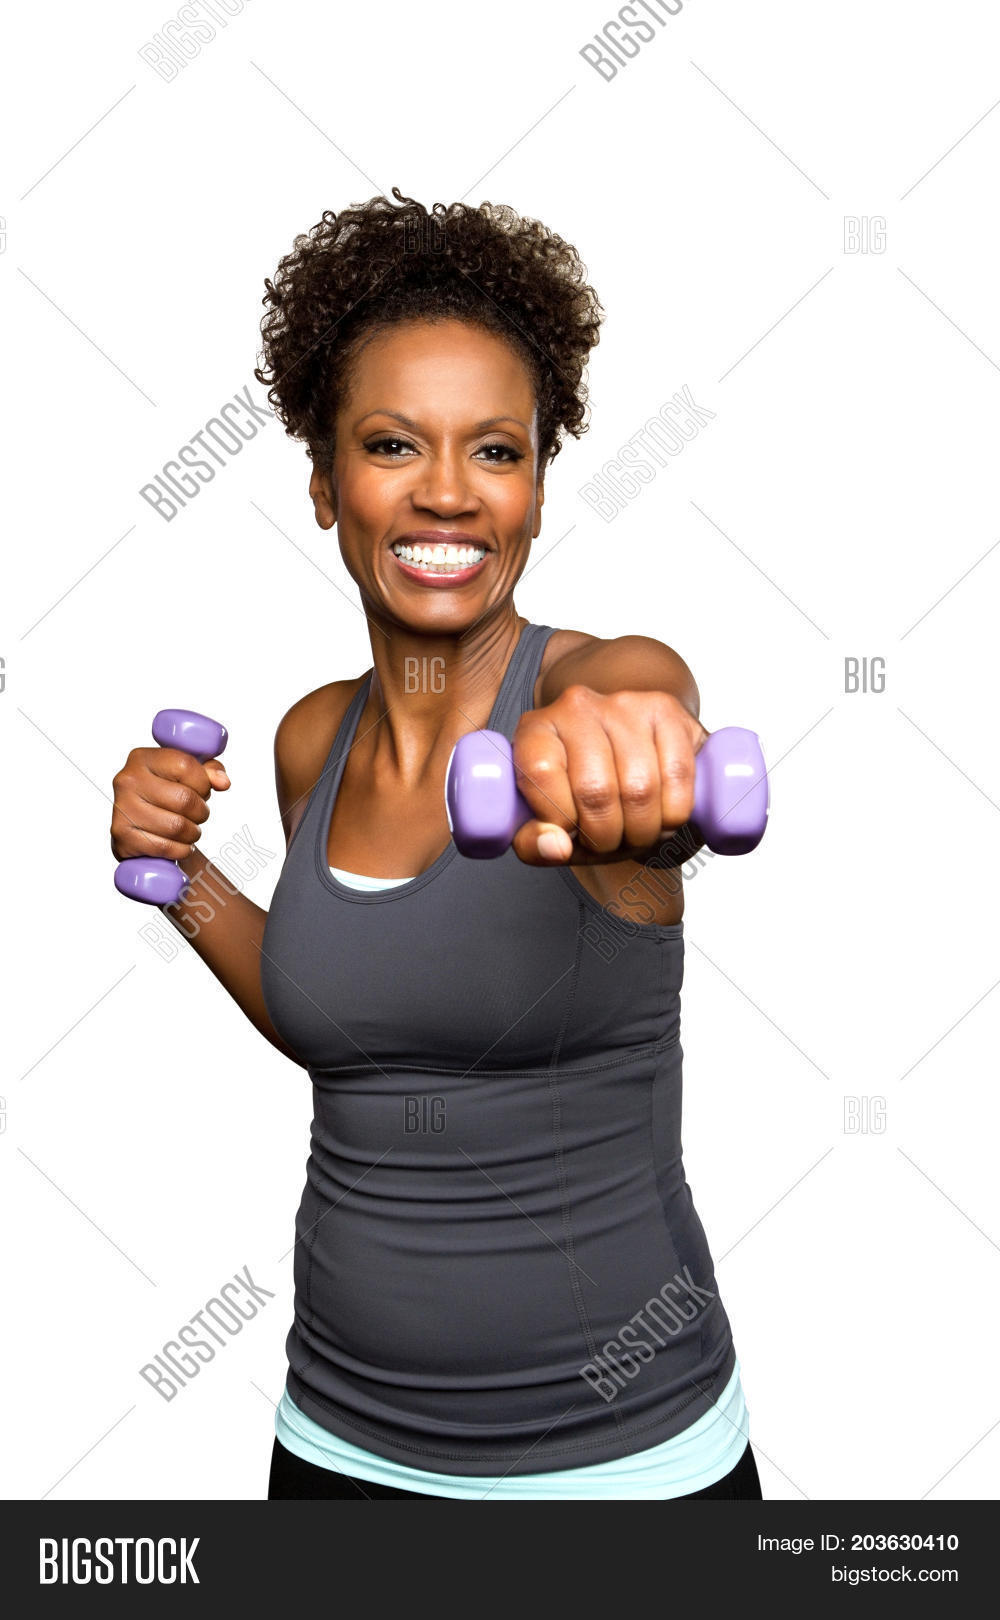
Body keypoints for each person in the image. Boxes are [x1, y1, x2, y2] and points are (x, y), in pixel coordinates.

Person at [110, 190, 762, 1501]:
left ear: (538, 491)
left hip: (624, 1474)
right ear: (323, 484)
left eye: (497, 451)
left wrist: (636, 749)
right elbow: (342, 1015)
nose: (450, 492)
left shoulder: (593, 685)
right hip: (334, 1444)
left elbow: (644, 706)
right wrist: (182, 879)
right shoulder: (312, 739)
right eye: (395, 444)